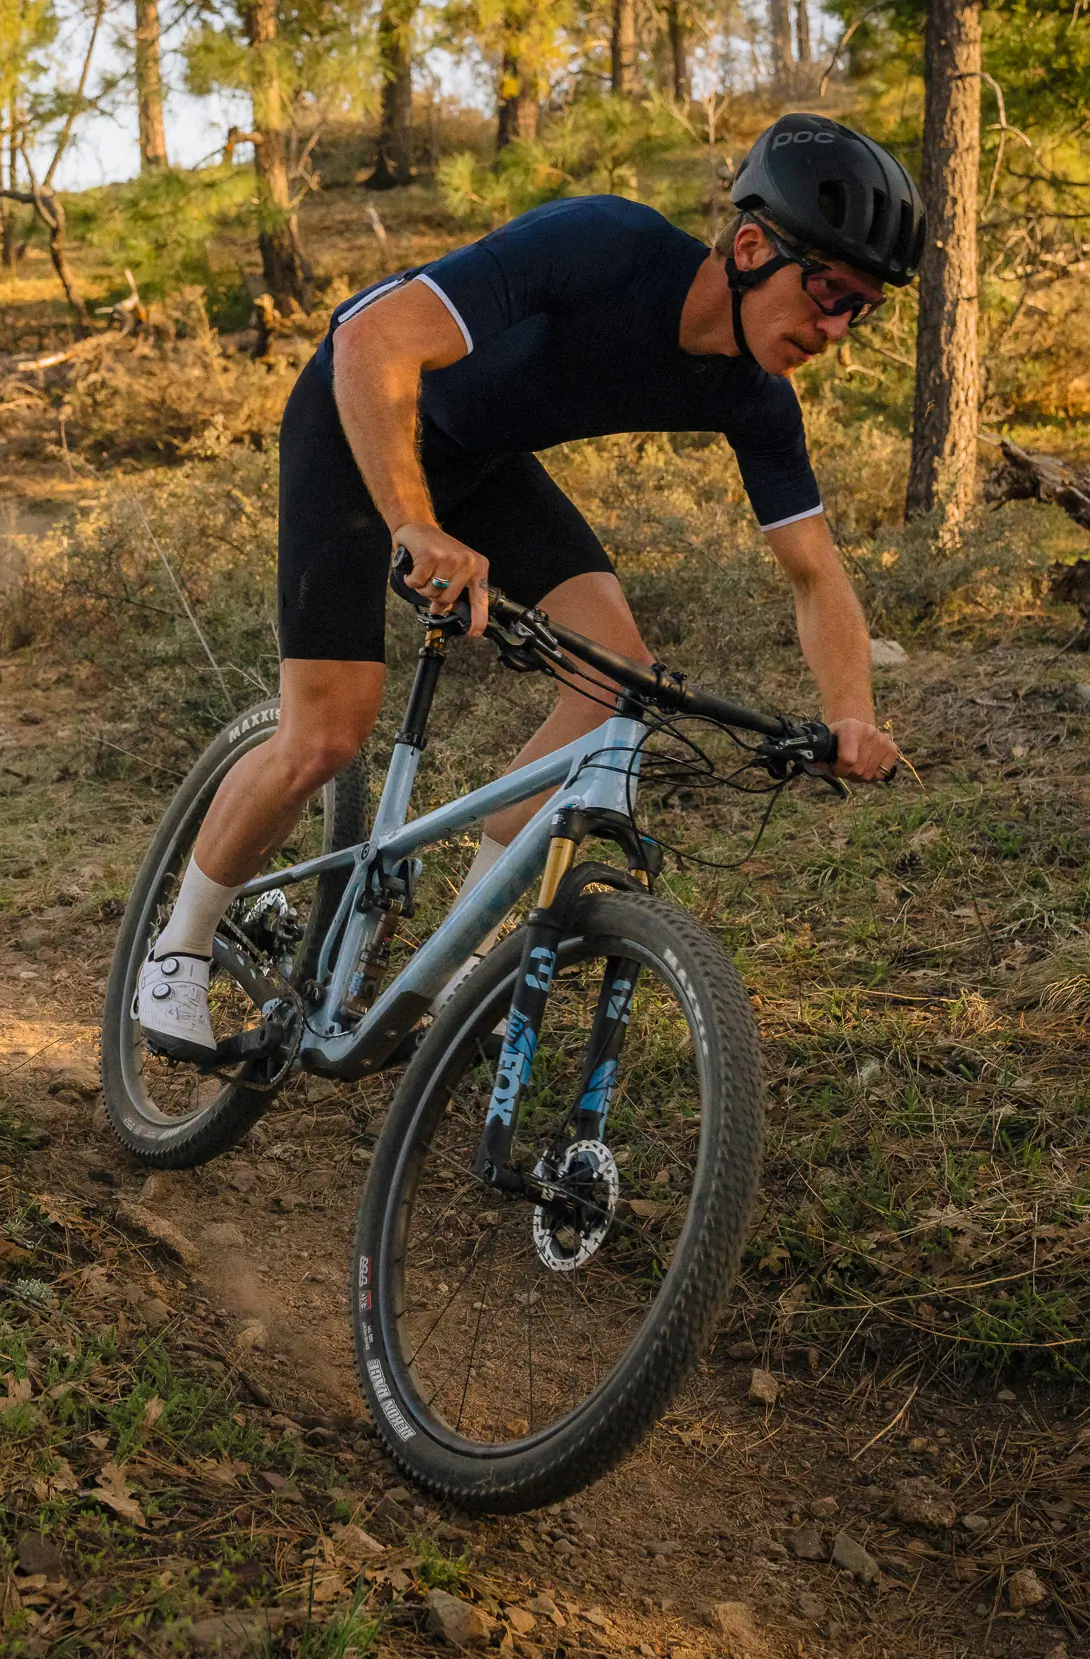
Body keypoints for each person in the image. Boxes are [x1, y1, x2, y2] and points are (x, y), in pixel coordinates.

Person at [138, 112, 923, 1058]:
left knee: (616, 681)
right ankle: (178, 946)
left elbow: (815, 571)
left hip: (483, 461)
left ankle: (452, 966)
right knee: (330, 732)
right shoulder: (607, 244)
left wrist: (851, 714)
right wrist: (415, 524)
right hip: (360, 415)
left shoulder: (755, 395)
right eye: (828, 291)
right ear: (752, 248)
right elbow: (373, 341)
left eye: (860, 310)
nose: (836, 329)